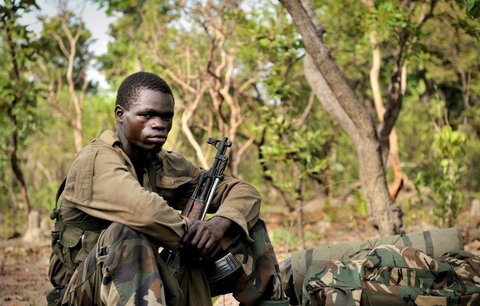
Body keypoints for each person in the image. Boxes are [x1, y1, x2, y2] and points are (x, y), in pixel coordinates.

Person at [47, 71, 286, 306]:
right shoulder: (95, 160)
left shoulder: (164, 164)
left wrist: (219, 224)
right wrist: (196, 233)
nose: (159, 125)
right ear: (120, 114)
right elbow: (144, 212)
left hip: (146, 286)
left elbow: (243, 191)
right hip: (85, 291)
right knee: (126, 234)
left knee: (244, 226)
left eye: (166, 117)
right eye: (148, 115)